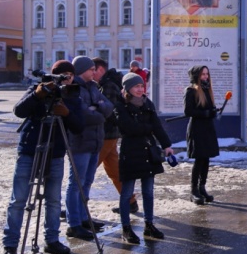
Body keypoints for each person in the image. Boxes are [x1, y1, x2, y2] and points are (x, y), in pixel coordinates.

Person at [2, 60, 86, 254]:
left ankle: (52, 241)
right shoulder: (37, 89)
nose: (67, 79)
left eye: (70, 75)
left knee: (53, 201)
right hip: (30, 150)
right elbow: (19, 111)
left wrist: (66, 113)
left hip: (55, 153)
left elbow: (78, 127)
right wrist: (38, 95)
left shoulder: (72, 94)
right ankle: (10, 246)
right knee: (18, 200)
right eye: (63, 75)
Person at [114, 73, 173, 244]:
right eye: (136, 86)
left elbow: (157, 126)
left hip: (148, 151)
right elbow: (129, 128)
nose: (140, 89)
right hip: (131, 152)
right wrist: (147, 128)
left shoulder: (148, 103)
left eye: (141, 86)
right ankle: (126, 228)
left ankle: (149, 224)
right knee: (127, 193)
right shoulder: (120, 106)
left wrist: (166, 145)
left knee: (148, 191)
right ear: (127, 89)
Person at [65, 56, 114, 240]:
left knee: (86, 182)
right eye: (91, 69)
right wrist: (98, 112)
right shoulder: (74, 89)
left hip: (95, 141)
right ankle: (74, 223)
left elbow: (109, 107)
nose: (95, 72)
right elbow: (83, 115)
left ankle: (84, 218)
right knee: (76, 183)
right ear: (81, 70)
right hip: (80, 143)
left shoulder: (93, 87)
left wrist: (97, 108)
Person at [92, 58, 139, 215]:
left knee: (88, 169)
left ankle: (77, 205)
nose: (92, 74)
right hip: (110, 134)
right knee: (114, 170)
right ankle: (130, 201)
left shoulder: (109, 86)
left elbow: (108, 112)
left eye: (93, 70)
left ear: (100, 70)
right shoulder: (107, 84)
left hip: (107, 134)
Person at [184, 65, 220, 205]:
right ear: (197, 76)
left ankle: (202, 187)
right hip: (197, 129)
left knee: (206, 159)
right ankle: (193, 191)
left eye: (207, 74)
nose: (205, 77)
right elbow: (188, 111)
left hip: (207, 128)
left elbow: (208, 107)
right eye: (202, 74)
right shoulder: (191, 91)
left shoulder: (207, 90)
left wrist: (213, 111)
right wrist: (204, 113)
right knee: (199, 159)